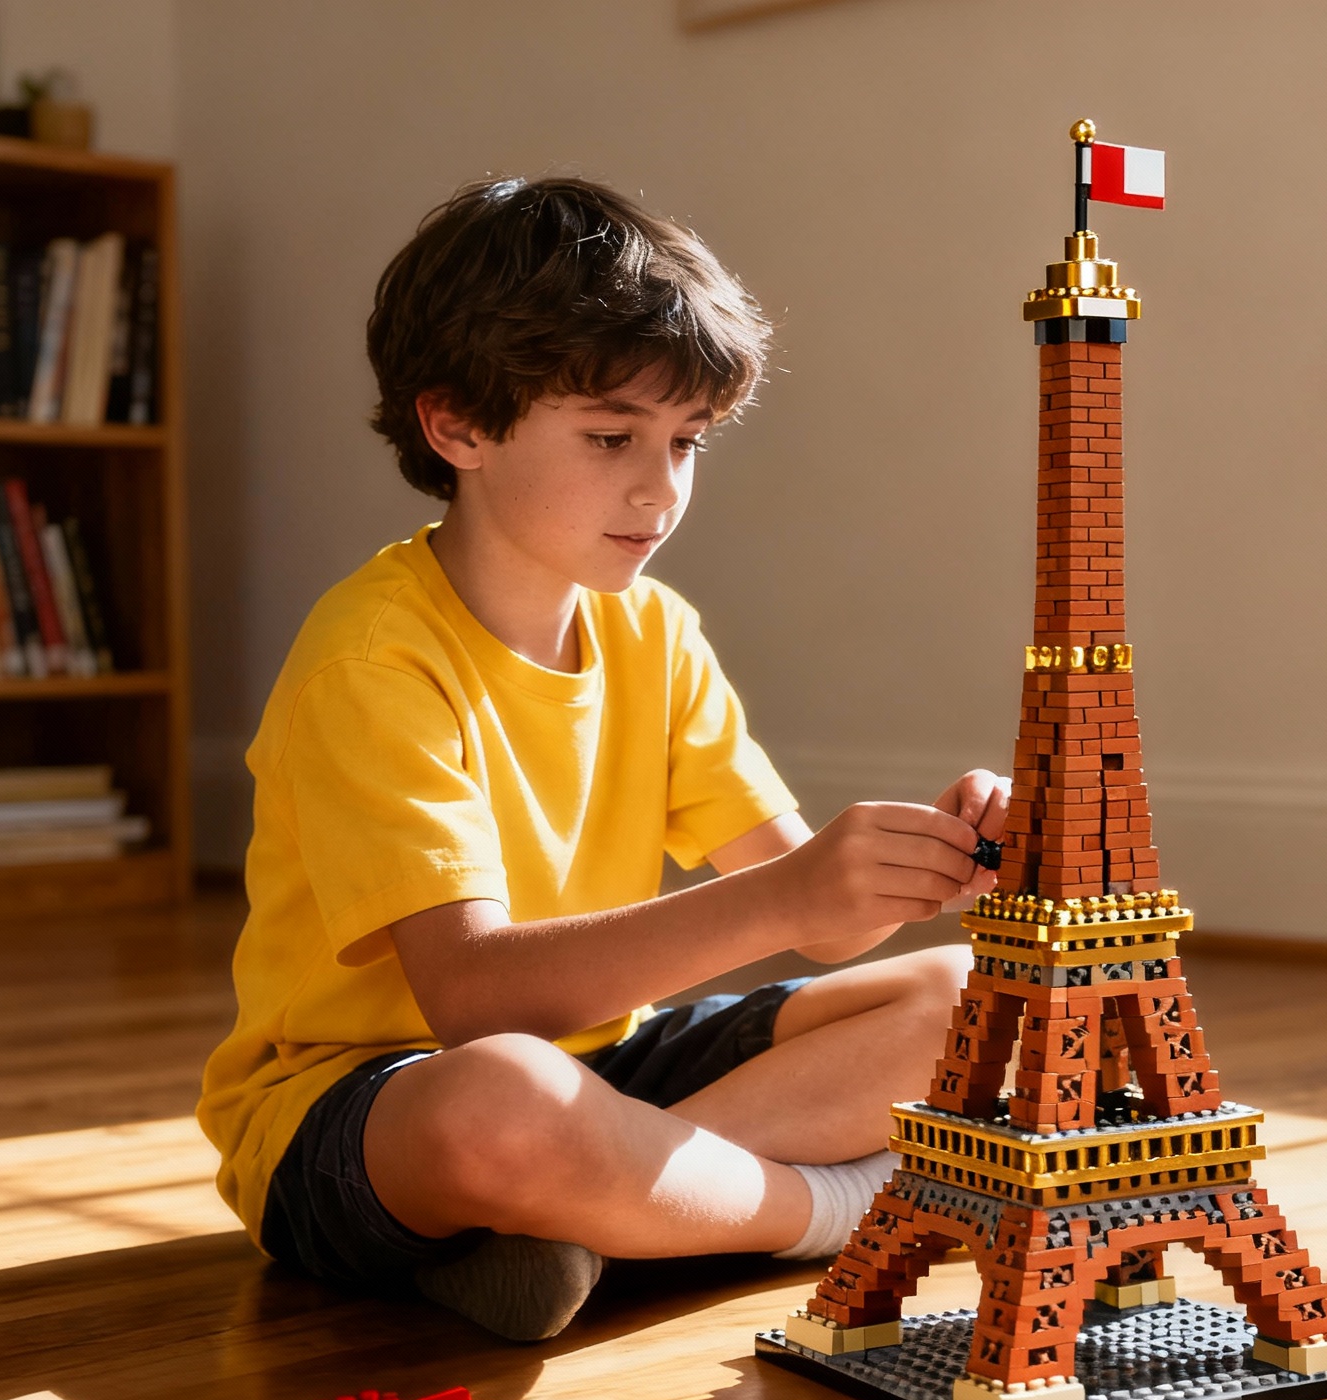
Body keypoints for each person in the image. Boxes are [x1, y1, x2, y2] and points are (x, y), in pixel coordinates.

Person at [198, 176, 1002, 1341]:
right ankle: (828, 1210)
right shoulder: (369, 660)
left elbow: (821, 925)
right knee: (510, 1102)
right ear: (457, 425)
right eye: (612, 437)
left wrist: (924, 856)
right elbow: (473, 999)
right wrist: (785, 893)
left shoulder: (653, 631)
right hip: (365, 1109)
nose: (660, 488)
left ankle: (598, 1213)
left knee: (981, 1006)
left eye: (687, 441)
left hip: (607, 1071)